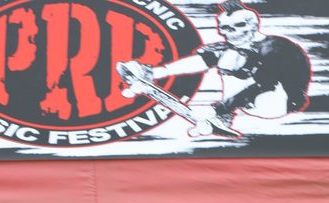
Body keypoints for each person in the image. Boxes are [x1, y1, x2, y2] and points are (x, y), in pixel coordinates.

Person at [120, 0, 311, 136]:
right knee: (224, 54)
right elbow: (202, 60)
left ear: (253, 26)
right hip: (250, 101)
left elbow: (265, 84)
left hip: (279, 102)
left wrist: (217, 109)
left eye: (237, 26)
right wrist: (157, 73)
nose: (229, 33)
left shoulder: (274, 48)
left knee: (232, 56)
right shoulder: (232, 47)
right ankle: (152, 73)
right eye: (224, 28)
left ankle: (223, 115)